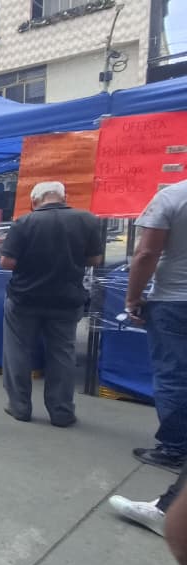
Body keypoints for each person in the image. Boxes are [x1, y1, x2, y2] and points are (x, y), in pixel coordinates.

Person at [0, 182, 102, 427]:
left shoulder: (24, 222)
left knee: (18, 352)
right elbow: (95, 259)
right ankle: (62, 411)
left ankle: (19, 406)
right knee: (63, 354)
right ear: (63, 197)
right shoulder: (87, 220)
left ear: (35, 200)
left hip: (25, 298)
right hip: (67, 299)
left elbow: (6, 262)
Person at [125, 178, 187, 471]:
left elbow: (147, 253)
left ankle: (175, 449)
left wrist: (133, 298)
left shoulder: (172, 196)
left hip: (175, 299)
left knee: (174, 374)